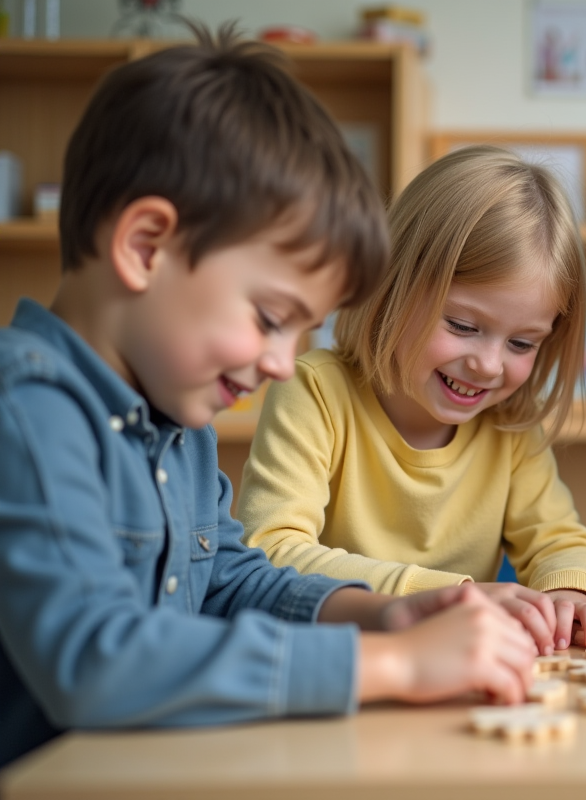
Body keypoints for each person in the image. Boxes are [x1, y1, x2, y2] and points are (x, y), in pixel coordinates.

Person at [0, 28, 537, 769]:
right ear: (146, 247)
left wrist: (383, 615)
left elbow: (225, 579)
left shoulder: (174, 411)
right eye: (270, 319)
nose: (285, 365)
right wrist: (395, 667)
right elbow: (96, 659)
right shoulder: (29, 408)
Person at [237, 146, 586, 656]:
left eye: (522, 343)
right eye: (462, 326)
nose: (488, 364)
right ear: (391, 286)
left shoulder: (508, 427)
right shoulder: (315, 389)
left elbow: (561, 542)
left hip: (455, 672)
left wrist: (570, 591)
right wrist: (449, 595)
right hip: (332, 665)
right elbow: (271, 553)